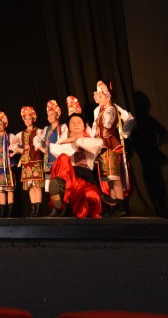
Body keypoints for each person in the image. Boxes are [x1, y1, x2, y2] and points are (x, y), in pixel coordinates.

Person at [92, 80, 135, 217]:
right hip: (103, 146)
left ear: (107, 97)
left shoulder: (110, 110)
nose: (98, 99)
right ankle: (114, 206)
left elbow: (108, 124)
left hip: (111, 145)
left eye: (100, 96)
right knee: (109, 178)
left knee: (115, 178)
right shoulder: (101, 110)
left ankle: (123, 207)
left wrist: (124, 134)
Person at [48, 112, 103, 218]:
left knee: (92, 197)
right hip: (69, 176)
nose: (76, 125)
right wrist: (70, 142)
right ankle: (61, 202)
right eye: (73, 123)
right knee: (63, 158)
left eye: (79, 122)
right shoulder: (64, 140)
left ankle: (66, 204)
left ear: (84, 126)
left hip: (85, 178)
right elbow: (54, 149)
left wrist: (76, 140)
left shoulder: (91, 140)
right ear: (69, 127)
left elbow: (98, 144)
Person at [10, 106, 44, 217]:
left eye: (29, 119)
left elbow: (44, 143)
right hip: (26, 162)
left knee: (37, 185)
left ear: (33, 119)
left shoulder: (39, 131)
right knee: (30, 186)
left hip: (36, 160)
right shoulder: (21, 134)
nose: (28, 121)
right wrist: (21, 149)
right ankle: (33, 208)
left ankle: (38, 208)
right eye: (26, 119)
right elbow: (12, 144)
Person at [34, 100, 67, 200]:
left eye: (52, 114)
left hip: (59, 159)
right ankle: (55, 205)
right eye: (48, 115)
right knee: (52, 186)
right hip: (49, 161)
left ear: (58, 115)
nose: (49, 117)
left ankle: (64, 204)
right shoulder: (46, 129)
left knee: (61, 183)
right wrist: (42, 149)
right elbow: (36, 139)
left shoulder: (63, 127)